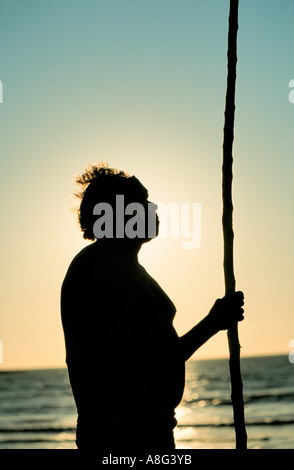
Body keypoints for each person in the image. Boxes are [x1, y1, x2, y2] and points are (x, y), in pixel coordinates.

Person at [61, 163, 244, 452]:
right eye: (142, 202)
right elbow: (146, 363)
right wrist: (212, 323)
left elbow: (155, 357)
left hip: (146, 431)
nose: (153, 207)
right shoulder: (101, 270)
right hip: (125, 438)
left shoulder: (123, 268)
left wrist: (214, 322)